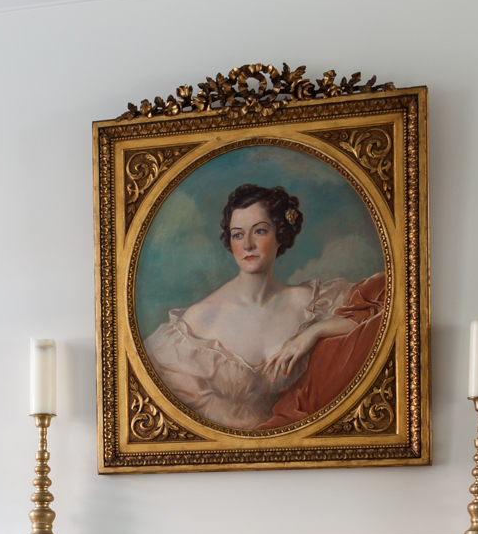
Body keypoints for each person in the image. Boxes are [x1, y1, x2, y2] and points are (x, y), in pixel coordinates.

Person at [142, 183, 385, 432]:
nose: (247, 244)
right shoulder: (196, 322)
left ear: (279, 233)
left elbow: (381, 315)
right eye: (238, 234)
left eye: (259, 231)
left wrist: (314, 331)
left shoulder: (313, 302)